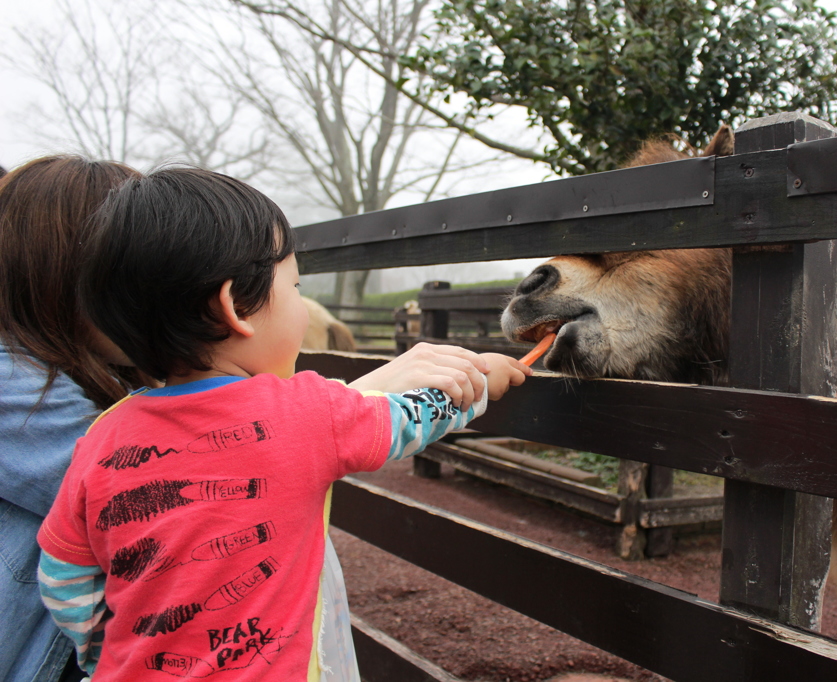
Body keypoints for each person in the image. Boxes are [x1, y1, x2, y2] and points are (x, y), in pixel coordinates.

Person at [36, 167, 530, 681]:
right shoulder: (308, 410)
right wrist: (479, 382)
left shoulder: (102, 435)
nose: (299, 300)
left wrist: (102, 661)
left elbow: (63, 580)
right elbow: (410, 418)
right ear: (236, 307)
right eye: (293, 284)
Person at [0, 156, 147, 682]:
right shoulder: (14, 389)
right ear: (65, 275)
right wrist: (340, 407)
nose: (160, 299)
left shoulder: (96, 372)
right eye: (137, 275)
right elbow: (174, 489)